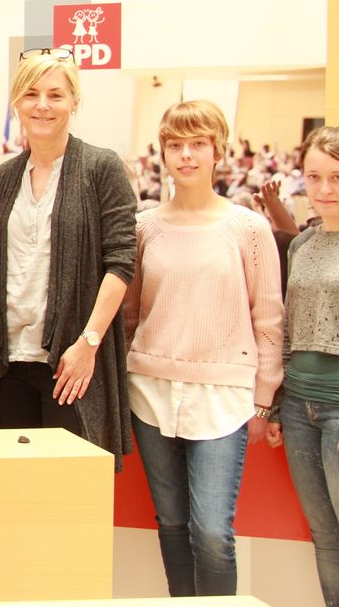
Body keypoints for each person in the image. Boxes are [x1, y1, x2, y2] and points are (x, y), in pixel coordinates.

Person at [125, 100, 283, 597]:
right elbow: (130, 313)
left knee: (213, 532)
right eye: (175, 145)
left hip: (224, 394)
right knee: (171, 523)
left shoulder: (248, 228)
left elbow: (268, 317)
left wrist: (264, 397)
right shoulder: (145, 225)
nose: (186, 155)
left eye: (198, 144)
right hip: (150, 390)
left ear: (218, 151)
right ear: (163, 153)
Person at [0, 48, 136, 467]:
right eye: (31, 94)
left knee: (73, 484)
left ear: (74, 102)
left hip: (70, 359)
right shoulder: (3, 178)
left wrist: (88, 343)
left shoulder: (101, 168)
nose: (42, 105)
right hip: (8, 362)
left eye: (55, 95)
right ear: (17, 102)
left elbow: (121, 263)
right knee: (12, 484)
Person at [268, 126, 339, 606]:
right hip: (299, 409)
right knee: (325, 535)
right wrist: (278, 405)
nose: (324, 189)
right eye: (314, 177)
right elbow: (290, 329)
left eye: (336, 177)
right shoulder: (301, 245)